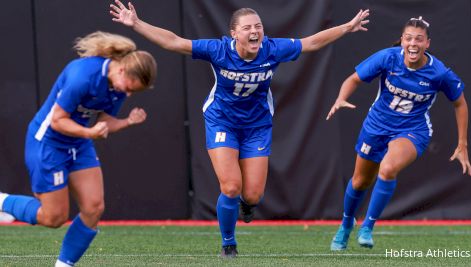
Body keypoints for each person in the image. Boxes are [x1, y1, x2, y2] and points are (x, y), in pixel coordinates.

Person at [110, 0, 369, 258]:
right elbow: (174, 42)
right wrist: (137, 23)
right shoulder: (218, 50)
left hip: (256, 125)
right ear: (234, 34)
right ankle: (228, 244)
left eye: (258, 26)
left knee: (253, 195)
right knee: (231, 186)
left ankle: (247, 205)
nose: (254, 31)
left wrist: (347, 27)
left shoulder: (272, 49)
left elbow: (311, 42)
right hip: (222, 121)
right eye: (247, 28)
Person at [0, 31, 157, 266]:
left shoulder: (118, 87)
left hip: (78, 143)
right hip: (48, 142)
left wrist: (127, 122)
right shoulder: (83, 75)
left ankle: (64, 265)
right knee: (54, 217)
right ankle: (2, 202)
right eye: (130, 87)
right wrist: (89, 133)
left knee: (94, 208)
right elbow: (57, 121)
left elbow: (103, 123)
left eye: (134, 91)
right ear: (122, 69)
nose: (128, 93)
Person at [326, 16, 471, 251]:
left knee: (388, 168)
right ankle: (345, 226)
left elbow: (460, 103)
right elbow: (353, 79)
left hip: (412, 130)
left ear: (427, 44)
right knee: (360, 181)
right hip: (376, 126)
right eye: (409, 38)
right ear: (402, 41)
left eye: (419, 39)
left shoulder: (439, 73)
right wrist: (341, 98)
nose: (413, 43)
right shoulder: (388, 57)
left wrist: (462, 143)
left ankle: (367, 228)